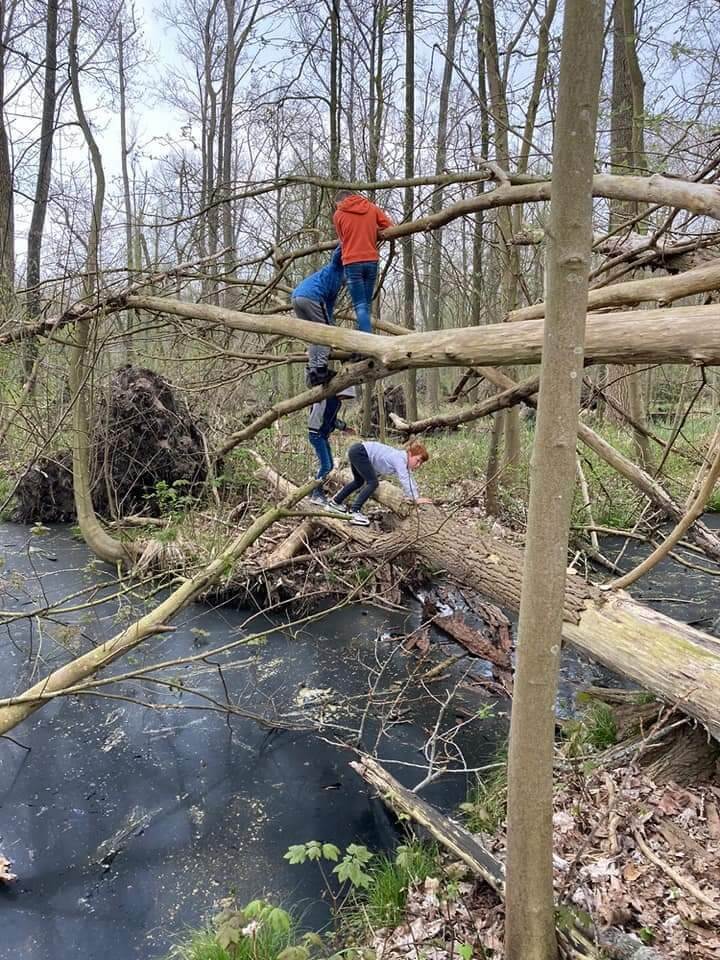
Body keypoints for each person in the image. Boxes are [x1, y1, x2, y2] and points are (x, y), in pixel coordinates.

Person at [327, 440, 431, 525]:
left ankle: (335, 503)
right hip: (360, 452)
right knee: (373, 483)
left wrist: (417, 495)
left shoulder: (402, 460)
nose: (418, 465)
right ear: (409, 454)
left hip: (356, 450)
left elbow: (409, 478)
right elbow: (404, 479)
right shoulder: (399, 459)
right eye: (417, 460)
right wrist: (415, 498)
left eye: (421, 463)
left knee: (359, 481)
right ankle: (354, 512)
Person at [333, 189, 393, 336]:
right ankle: (360, 348)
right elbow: (389, 226)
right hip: (371, 261)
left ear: (342, 201)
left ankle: (367, 345)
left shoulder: (339, 215)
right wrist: (373, 229)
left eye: (337, 205)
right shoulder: (372, 208)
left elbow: (342, 240)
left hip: (352, 263)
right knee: (365, 306)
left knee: (360, 306)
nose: (337, 208)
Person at [291, 245, 345, 386]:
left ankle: (313, 372)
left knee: (314, 336)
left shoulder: (334, 286)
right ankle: (321, 370)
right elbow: (337, 254)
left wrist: (332, 327)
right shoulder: (336, 268)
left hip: (297, 298)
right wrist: (348, 238)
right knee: (324, 335)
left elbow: (329, 310)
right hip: (311, 296)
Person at [307, 383, 357, 505]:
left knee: (329, 466)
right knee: (325, 465)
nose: (344, 399)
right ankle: (316, 494)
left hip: (323, 435)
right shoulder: (326, 399)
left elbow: (332, 419)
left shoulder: (336, 402)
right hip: (316, 434)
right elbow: (319, 411)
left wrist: (345, 428)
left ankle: (313, 490)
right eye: (344, 396)